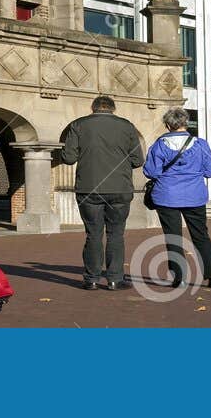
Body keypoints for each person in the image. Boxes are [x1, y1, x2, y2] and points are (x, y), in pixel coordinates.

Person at [60, 94, 144, 290]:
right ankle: (115, 279)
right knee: (116, 234)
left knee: (93, 234)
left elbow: (69, 158)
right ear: (113, 109)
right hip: (120, 189)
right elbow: (138, 160)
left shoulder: (78, 125)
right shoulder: (127, 126)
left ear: (93, 108)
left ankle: (92, 279)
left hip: (89, 188)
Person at [143, 108, 211, 288]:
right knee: (201, 235)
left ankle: (180, 277)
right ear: (186, 123)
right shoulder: (201, 144)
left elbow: (151, 172)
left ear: (168, 125)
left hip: (167, 196)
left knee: (173, 236)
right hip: (194, 195)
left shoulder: (159, 145)